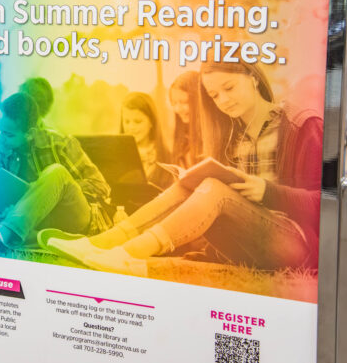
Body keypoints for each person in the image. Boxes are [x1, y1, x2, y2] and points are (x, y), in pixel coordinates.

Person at [43, 61, 323, 275]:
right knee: (189, 183)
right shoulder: (234, 135)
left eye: (229, 88)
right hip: (252, 244)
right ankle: (102, 243)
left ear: (252, 77)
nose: (223, 101)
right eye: (214, 95)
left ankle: (129, 254)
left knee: (213, 188)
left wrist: (265, 191)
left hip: (295, 245)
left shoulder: (300, 125)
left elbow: (322, 205)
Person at [0, 92, 112, 253]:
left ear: (31, 133)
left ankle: (3, 236)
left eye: (8, 134)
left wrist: (46, 190)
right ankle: (54, 241)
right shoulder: (2, 147)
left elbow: (101, 186)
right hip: (38, 222)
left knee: (56, 172)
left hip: (76, 217)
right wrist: (17, 206)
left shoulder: (60, 144)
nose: (0, 138)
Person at [120, 92, 172, 189]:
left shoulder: (166, 157)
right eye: (127, 121)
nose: (131, 127)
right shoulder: (118, 156)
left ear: (151, 122)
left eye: (138, 121)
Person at [169, 71, 202, 168]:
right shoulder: (182, 135)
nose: (178, 109)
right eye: (174, 103)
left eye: (184, 102)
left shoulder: (212, 136)